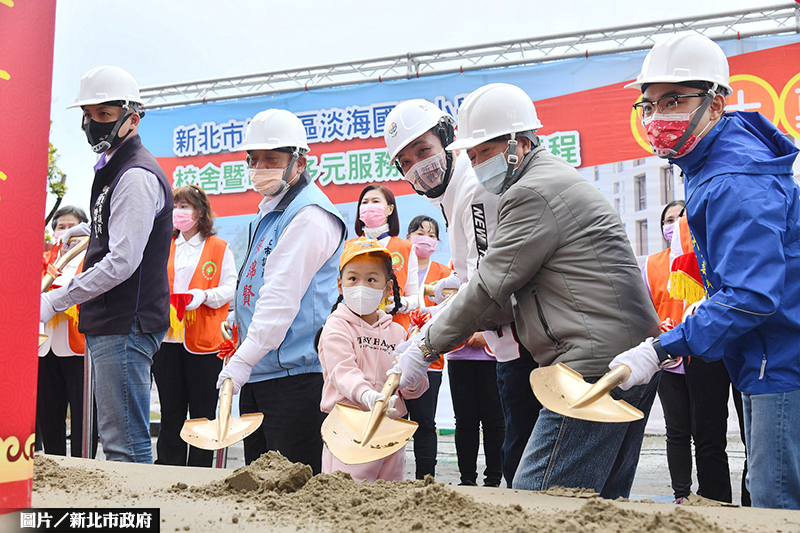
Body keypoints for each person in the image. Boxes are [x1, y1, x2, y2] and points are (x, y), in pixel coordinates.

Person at [392, 83, 660, 498]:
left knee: (538, 495)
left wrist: (423, 346)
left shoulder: (530, 192)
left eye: (484, 152)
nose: (476, 163)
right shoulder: (544, 178)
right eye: (473, 154)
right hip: (622, 356)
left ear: (520, 143)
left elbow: (489, 286)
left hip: (593, 364)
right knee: (601, 504)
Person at [610, 33, 800, 510]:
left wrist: (660, 348)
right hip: (766, 355)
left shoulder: (735, 180)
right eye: (648, 104)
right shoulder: (711, 163)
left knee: (777, 502)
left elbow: (749, 297)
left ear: (715, 105)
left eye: (673, 100)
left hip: (779, 361)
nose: (656, 117)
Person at [384, 99, 538, 486]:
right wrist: (452, 284)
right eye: (404, 161)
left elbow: (490, 291)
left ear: (448, 139)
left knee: (522, 463)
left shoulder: (474, 190)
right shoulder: (453, 196)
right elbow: (480, 270)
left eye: (423, 150)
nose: (417, 166)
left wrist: (423, 344)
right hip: (511, 346)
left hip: (524, 348)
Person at [40, 66, 172, 463]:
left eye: (104, 115)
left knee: (124, 444)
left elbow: (122, 262)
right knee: (119, 438)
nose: (92, 124)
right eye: (88, 115)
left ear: (132, 118)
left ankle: (137, 518)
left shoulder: (135, 174)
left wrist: (58, 298)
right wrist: (82, 228)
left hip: (125, 321)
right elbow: (114, 221)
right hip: (114, 321)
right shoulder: (116, 167)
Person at [216, 109, 346, 474]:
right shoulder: (270, 212)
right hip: (262, 372)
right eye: (253, 160)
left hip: (295, 379)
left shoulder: (310, 216)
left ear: (299, 162)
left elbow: (279, 302)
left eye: (271, 159)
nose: (260, 168)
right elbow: (256, 286)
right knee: (258, 489)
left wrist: (240, 362)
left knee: (292, 495)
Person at [644, 200, 735, 503]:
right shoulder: (653, 264)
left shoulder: (711, 257)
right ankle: (684, 494)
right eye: (668, 220)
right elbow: (644, 309)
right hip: (671, 358)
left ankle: (743, 500)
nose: (674, 224)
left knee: (709, 432)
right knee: (679, 430)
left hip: (709, 353)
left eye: (680, 217)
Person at [318, 238, 428, 482]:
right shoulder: (336, 327)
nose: (361, 286)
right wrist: (368, 396)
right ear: (340, 284)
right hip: (349, 425)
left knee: (388, 492)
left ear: (388, 288)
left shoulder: (398, 333)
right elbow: (342, 371)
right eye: (353, 279)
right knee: (347, 495)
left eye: (371, 279)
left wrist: (413, 377)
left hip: (390, 428)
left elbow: (414, 388)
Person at [151, 185, 236, 467]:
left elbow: (231, 288)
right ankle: (168, 468)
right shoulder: (164, 245)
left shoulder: (219, 247)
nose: (179, 213)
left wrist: (204, 296)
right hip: (167, 338)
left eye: (185, 207)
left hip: (204, 340)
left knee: (202, 411)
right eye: (175, 207)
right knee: (171, 410)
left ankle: (199, 470)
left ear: (200, 212)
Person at [38, 206, 97, 457]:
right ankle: (53, 463)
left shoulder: (93, 257)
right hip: (45, 346)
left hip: (79, 348)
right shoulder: (45, 258)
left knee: (84, 415)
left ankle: (85, 464)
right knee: (49, 413)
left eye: (70, 226)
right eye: (59, 226)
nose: (64, 231)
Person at [403, 216, 449, 480]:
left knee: (424, 422)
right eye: (419, 232)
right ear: (408, 237)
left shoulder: (443, 274)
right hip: (395, 354)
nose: (425, 239)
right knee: (394, 420)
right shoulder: (395, 267)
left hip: (429, 358)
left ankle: (425, 479)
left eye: (431, 235)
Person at [353, 185, 418, 331]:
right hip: (357, 329)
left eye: (375, 201)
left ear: (390, 209)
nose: (369, 206)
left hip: (395, 330)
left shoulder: (405, 248)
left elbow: (415, 296)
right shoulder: (349, 247)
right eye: (364, 202)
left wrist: (402, 303)